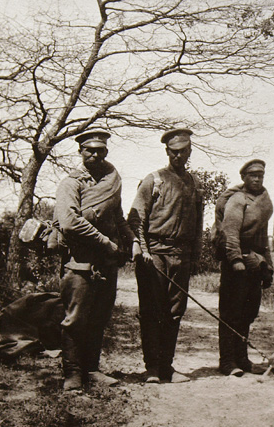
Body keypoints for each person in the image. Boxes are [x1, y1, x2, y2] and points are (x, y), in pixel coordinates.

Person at [54, 128, 135, 392]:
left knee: (99, 318)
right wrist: (105, 243)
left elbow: (118, 217)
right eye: (90, 150)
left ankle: (91, 369)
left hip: (107, 263)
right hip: (79, 263)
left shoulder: (112, 181)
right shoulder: (71, 184)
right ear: (80, 152)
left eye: (101, 150)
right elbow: (69, 223)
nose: (96, 155)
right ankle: (73, 374)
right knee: (75, 319)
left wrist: (132, 240)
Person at [128, 129, 204, 384]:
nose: (179, 155)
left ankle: (166, 367)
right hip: (155, 254)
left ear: (190, 152)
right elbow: (136, 217)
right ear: (167, 152)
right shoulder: (154, 180)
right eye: (174, 151)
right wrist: (143, 250)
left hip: (180, 254)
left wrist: (194, 256)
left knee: (174, 311)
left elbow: (198, 221)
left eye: (184, 151)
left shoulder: (192, 182)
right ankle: (152, 368)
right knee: (151, 311)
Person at [217, 160, 274, 377]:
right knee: (231, 312)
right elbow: (230, 232)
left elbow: (263, 238)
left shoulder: (263, 202)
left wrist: (268, 267)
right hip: (237, 263)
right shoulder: (237, 200)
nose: (257, 179)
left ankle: (242, 358)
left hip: (254, 261)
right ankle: (227, 361)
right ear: (244, 178)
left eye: (260, 175)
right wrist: (235, 260)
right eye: (253, 175)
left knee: (248, 313)